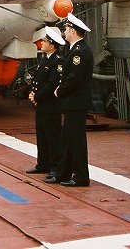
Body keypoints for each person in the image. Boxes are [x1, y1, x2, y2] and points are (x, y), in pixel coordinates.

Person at [46, 12, 93, 187]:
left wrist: (60, 91)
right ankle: (64, 173)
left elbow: (73, 78)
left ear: (73, 30)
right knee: (68, 139)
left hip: (76, 102)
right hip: (73, 103)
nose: (64, 32)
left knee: (76, 141)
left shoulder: (78, 52)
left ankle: (81, 176)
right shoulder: (75, 50)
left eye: (66, 28)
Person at [27, 26, 65, 178]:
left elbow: (52, 84)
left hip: (51, 105)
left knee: (53, 137)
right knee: (42, 135)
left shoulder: (58, 61)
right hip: (42, 104)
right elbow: (38, 80)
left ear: (52, 44)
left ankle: (55, 167)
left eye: (44, 41)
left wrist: (37, 96)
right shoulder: (45, 59)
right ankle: (43, 164)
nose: (41, 43)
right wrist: (32, 93)